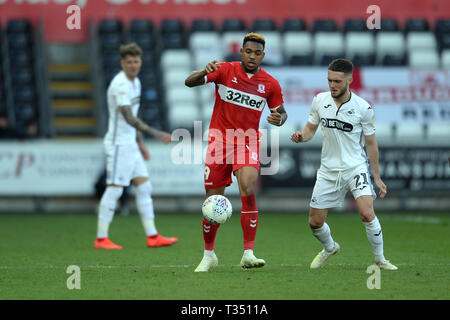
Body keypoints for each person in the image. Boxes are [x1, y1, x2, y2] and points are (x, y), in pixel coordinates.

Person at [185, 33, 288, 272]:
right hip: (219, 141)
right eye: (248, 51)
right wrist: (203, 71)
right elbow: (188, 82)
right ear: (241, 51)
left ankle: (248, 253)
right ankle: (209, 254)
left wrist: (279, 119)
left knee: (249, 189)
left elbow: (281, 113)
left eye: (257, 53)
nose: (252, 56)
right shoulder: (223, 70)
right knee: (213, 201)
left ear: (263, 55)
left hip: (247, 141)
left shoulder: (270, 84)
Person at [290, 58, 397, 270]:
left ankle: (380, 259)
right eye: (329, 80)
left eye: (337, 81)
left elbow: (371, 143)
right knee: (314, 223)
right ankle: (329, 247)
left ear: (349, 80)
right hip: (328, 171)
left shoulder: (363, 108)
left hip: (355, 167)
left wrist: (376, 176)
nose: (332, 85)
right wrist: (301, 136)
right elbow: (310, 129)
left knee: (367, 213)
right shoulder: (319, 100)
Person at [94, 42, 178, 249]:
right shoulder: (120, 84)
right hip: (118, 145)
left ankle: (153, 236)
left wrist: (140, 142)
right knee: (114, 189)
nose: (133, 65)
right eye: (129, 61)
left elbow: (134, 117)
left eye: (136, 61)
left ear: (140, 62)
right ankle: (101, 238)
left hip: (130, 144)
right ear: (123, 63)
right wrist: (155, 133)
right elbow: (128, 117)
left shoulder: (136, 82)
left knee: (144, 186)